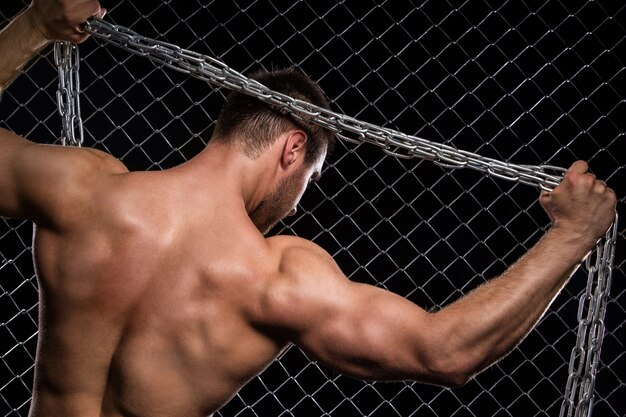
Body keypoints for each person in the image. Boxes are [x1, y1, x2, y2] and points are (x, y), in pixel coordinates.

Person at [0, 1, 617, 417]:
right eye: (310, 181)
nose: (295, 208)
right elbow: (445, 353)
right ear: (293, 148)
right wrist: (570, 237)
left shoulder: (83, 191)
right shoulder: (274, 279)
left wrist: (33, 23)